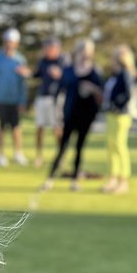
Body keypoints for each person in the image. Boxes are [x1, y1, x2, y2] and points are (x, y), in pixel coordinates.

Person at [44, 40, 104, 190]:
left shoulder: (95, 71)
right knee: (63, 146)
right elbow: (60, 90)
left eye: (88, 51)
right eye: (83, 50)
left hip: (86, 115)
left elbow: (102, 94)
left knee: (79, 147)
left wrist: (92, 89)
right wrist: (57, 114)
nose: (86, 54)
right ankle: (50, 178)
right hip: (69, 113)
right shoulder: (69, 70)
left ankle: (75, 180)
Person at [101, 44, 137, 195]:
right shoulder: (115, 75)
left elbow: (128, 94)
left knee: (119, 146)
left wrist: (117, 105)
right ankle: (113, 177)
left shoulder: (126, 74)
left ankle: (123, 180)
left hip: (121, 115)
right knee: (111, 146)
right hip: (111, 115)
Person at [0, 28, 30, 166]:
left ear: (16, 43)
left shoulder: (20, 59)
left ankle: (18, 153)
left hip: (15, 99)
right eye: (7, 41)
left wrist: (22, 100)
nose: (9, 44)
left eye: (12, 42)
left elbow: (23, 82)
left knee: (16, 127)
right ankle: (1, 155)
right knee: (1, 127)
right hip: (0, 99)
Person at [32, 37, 64, 165]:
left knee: (56, 128)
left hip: (55, 98)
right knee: (40, 127)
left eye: (50, 48)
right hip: (42, 97)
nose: (47, 50)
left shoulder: (62, 61)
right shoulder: (43, 61)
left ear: (56, 49)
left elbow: (67, 77)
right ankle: (38, 156)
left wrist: (59, 74)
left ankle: (60, 156)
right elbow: (36, 74)